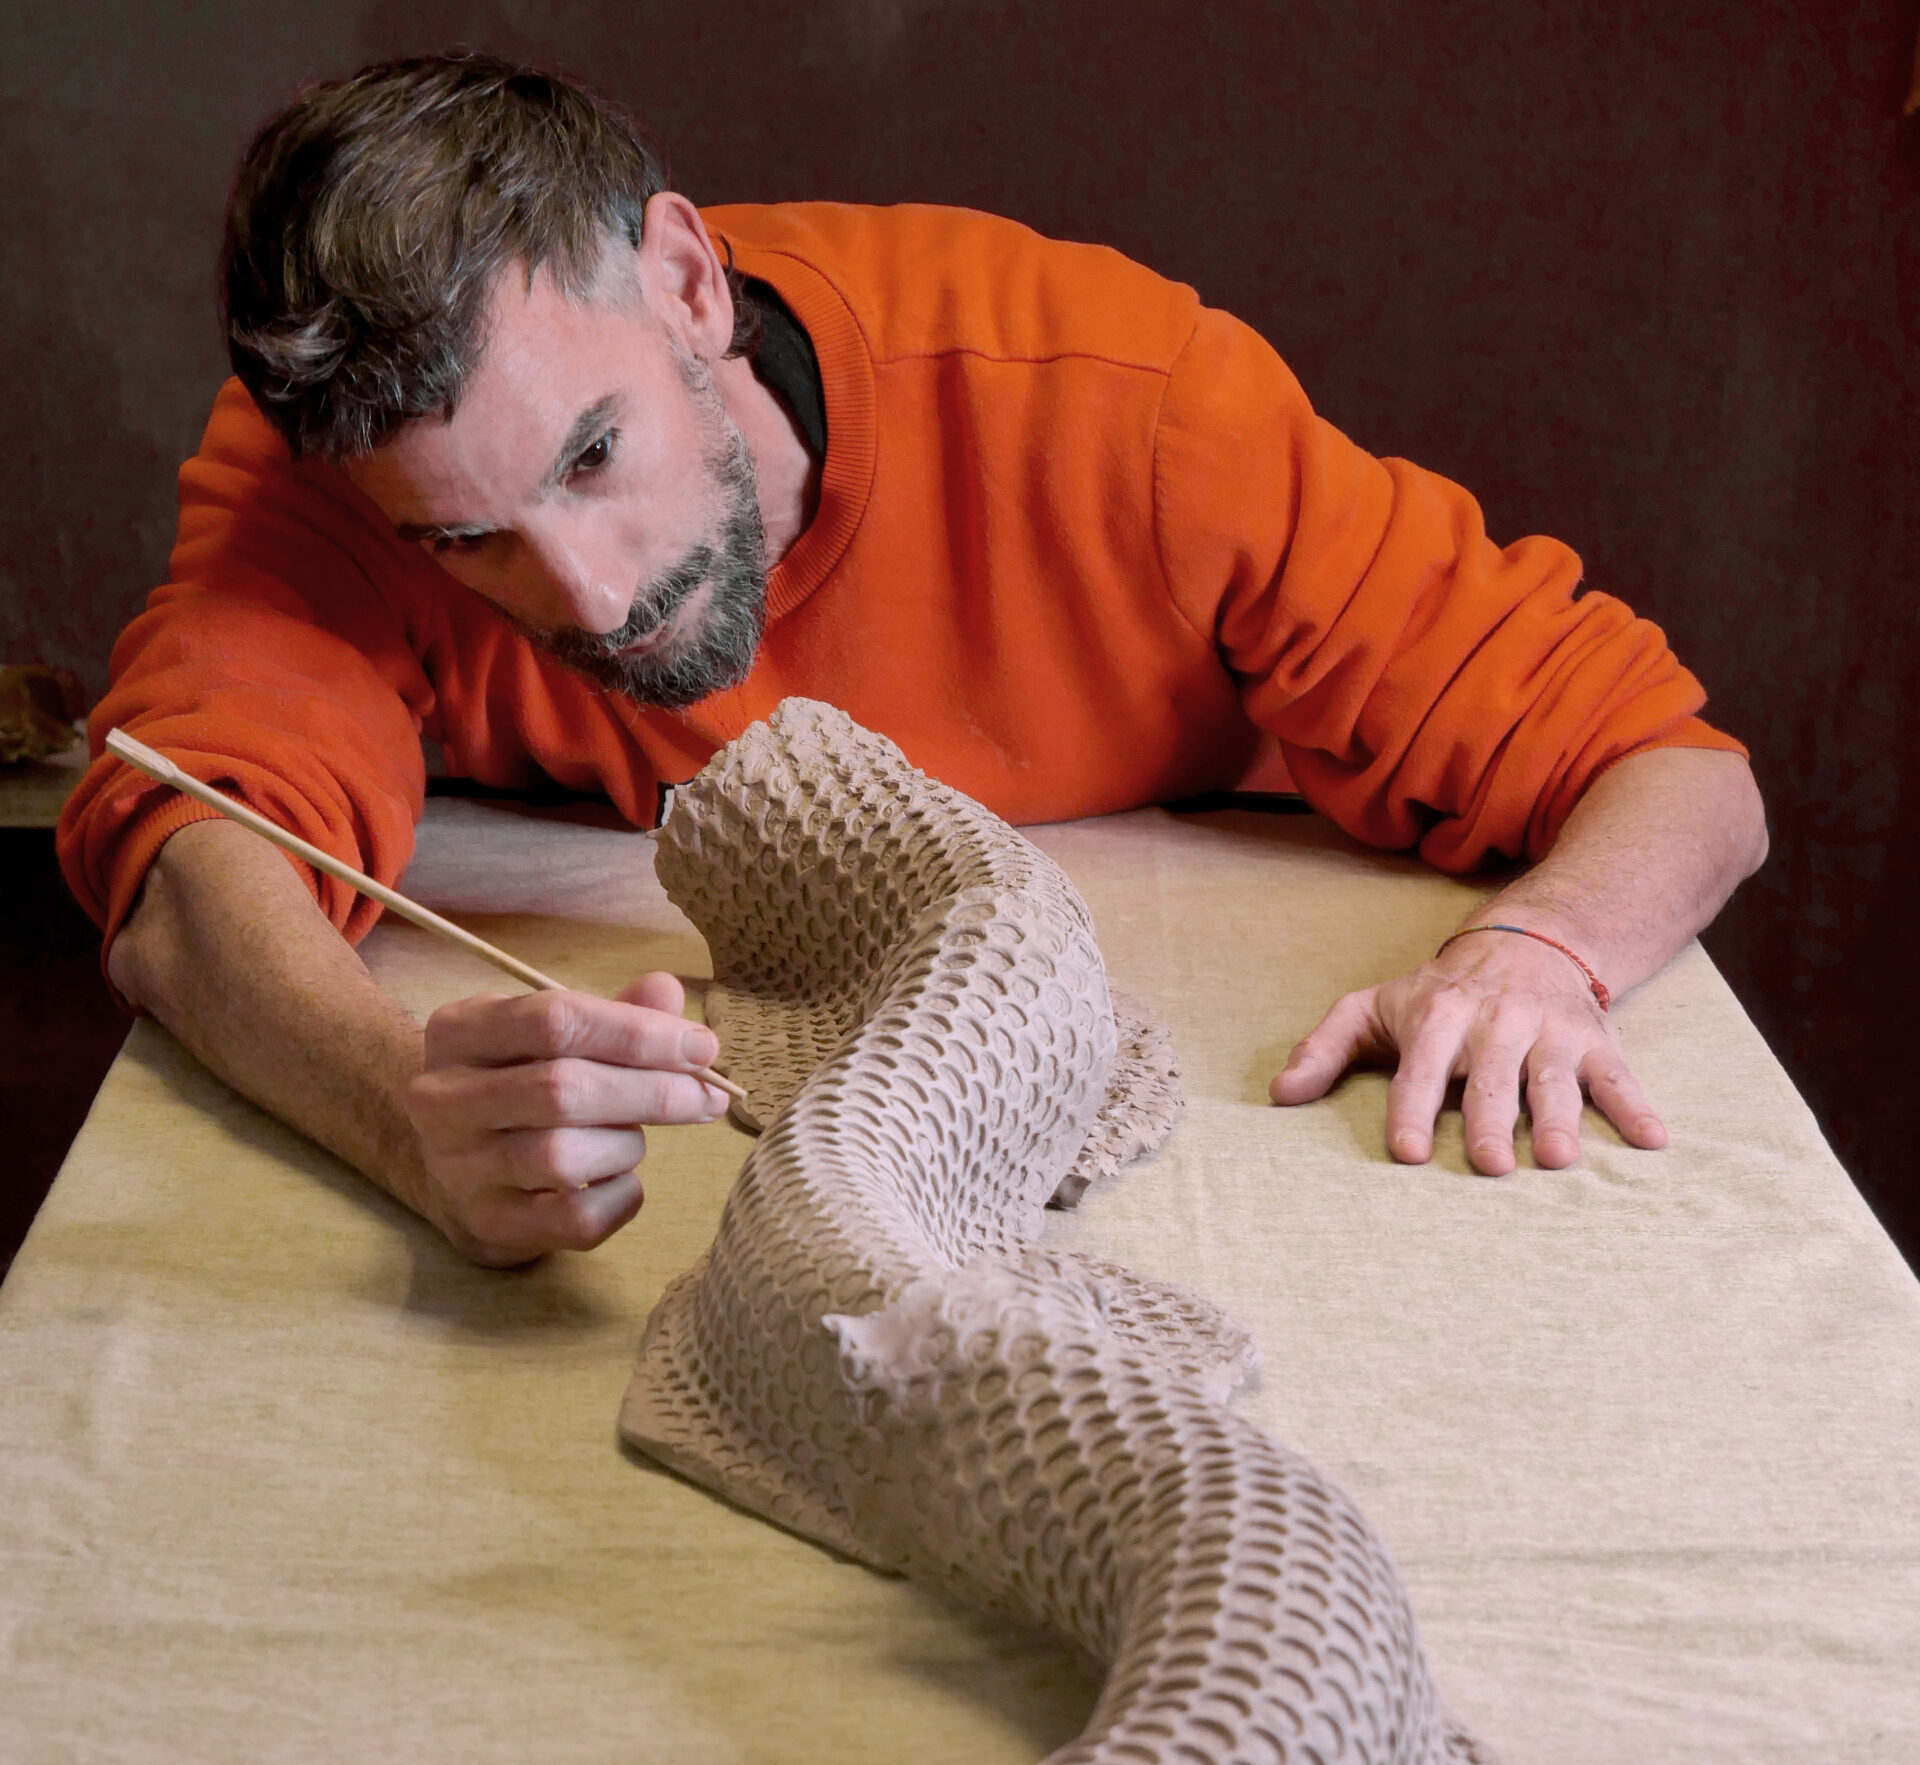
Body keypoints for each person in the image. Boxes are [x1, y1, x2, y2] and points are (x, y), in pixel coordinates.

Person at [58, 52, 1767, 1268]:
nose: (587, 596)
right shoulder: (340, 473)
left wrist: (1537, 952)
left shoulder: (1130, 406)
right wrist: (398, 1113)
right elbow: (186, 864)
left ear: (687, 282)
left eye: (593, 455)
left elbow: (1682, 773)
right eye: (466, 543)